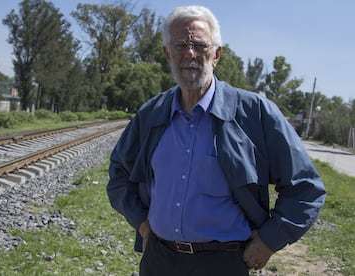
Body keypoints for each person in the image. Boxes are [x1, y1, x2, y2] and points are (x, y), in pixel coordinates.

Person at [107, 5, 326, 276]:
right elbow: (118, 175)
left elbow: (306, 188)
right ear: (167, 54)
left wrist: (270, 240)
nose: (190, 53)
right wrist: (141, 223)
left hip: (223, 264)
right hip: (159, 260)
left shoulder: (255, 112)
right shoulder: (151, 114)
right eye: (180, 45)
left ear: (216, 55)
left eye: (200, 45)